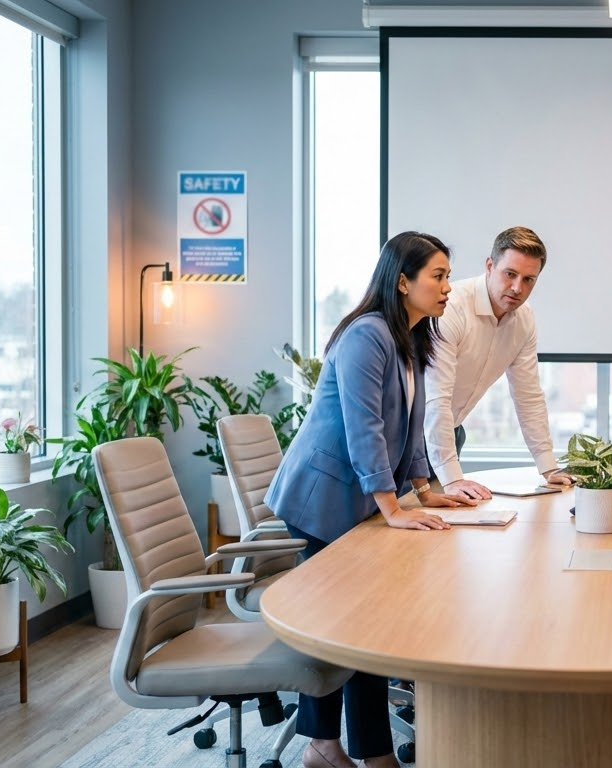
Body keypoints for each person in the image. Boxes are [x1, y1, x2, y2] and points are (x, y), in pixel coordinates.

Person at [265, 231, 476, 768]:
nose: (449, 286)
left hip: (355, 501)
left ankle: (361, 749)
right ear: (403, 281)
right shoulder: (367, 335)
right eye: (439, 275)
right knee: (345, 628)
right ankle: (330, 746)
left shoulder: (413, 337)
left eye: (449, 275)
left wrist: (429, 492)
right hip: (322, 500)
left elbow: (408, 430)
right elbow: (365, 430)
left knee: (361, 626)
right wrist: (393, 508)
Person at [423, 226, 571, 499]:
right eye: (510, 274)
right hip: (414, 432)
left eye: (529, 279)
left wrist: (549, 468)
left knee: (441, 527)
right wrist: (453, 478)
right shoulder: (450, 306)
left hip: (451, 432)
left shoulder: (524, 319)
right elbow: (436, 398)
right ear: (490, 265)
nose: (518, 288)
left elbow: (528, 396)